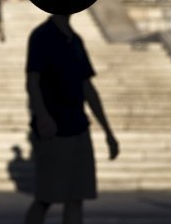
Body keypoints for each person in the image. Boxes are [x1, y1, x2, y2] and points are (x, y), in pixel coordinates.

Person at [24, 13, 119, 224]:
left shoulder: (75, 40)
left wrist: (108, 132)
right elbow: (32, 80)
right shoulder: (41, 36)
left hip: (78, 127)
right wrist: (42, 116)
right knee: (45, 198)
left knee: (76, 198)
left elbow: (87, 87)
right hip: (54, 130)